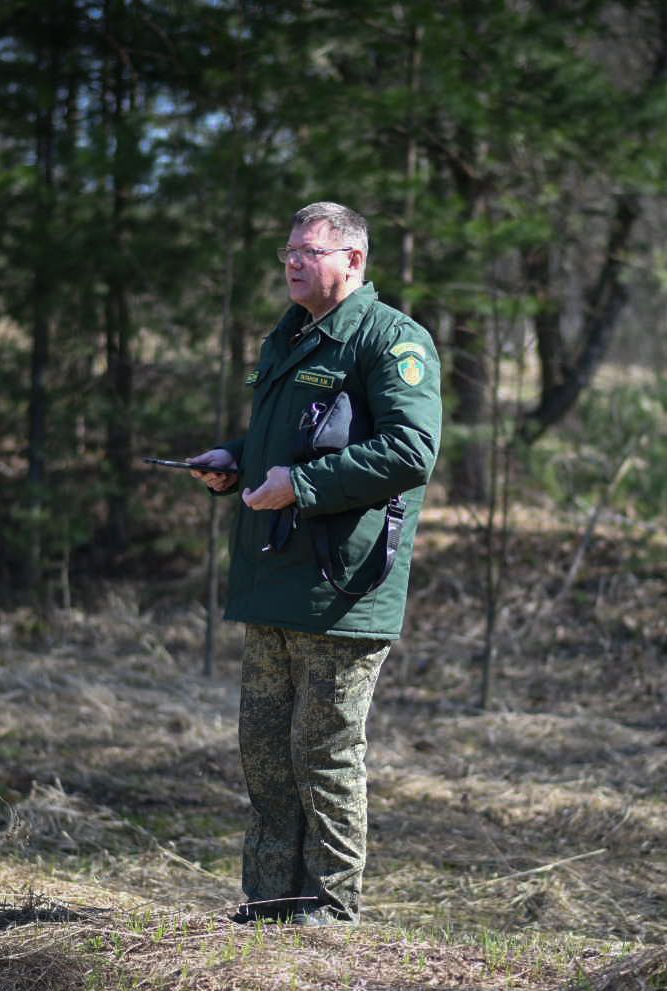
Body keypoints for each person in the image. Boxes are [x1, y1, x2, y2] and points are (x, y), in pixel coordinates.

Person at [188, 201, 442, 927]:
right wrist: (235, 462)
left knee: (323, 755)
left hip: (341, 587)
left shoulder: (390, 339)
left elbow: (410, 452)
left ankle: (330, 911)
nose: (294, 262)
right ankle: (270, 905)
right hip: (273, 577)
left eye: (311, 251)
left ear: (354, 261)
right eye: (289, 251)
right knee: (266, 757)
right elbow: (291, 439)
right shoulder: (291, 336)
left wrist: (300, 486)